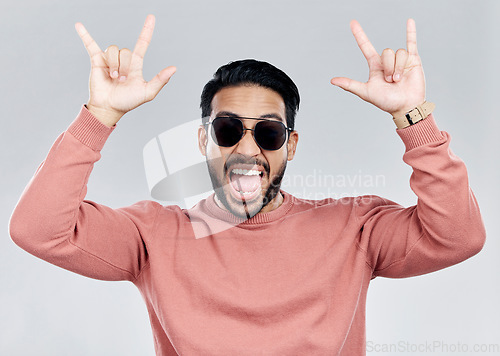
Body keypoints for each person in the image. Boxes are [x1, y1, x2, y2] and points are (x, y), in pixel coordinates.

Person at [9, 14, 485, 356]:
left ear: (291, 146)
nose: (248, 150)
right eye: (228, 129)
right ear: (204, 140)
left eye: (269, 133)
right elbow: (38, 229)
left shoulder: (353, 227)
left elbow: (457, 237)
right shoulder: (153, 235)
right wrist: (100, 116)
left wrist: (412, 117)